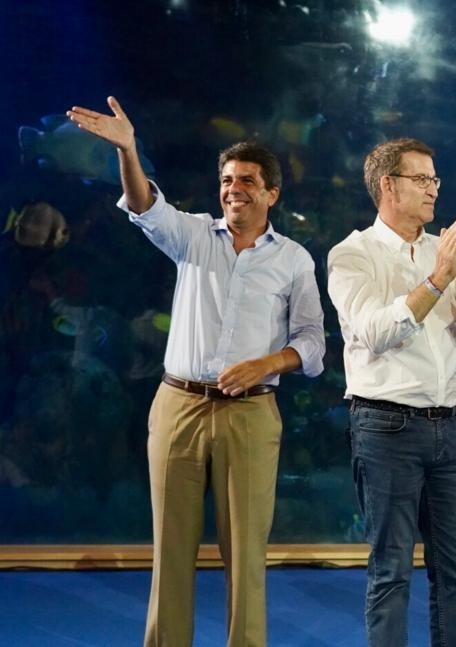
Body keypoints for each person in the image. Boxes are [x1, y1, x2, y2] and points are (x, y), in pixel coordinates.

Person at [67, 96, 326, 647]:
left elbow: (313, 343)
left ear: (272, 193)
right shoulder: (191, 236)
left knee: (247, 557)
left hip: (252, 414)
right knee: (171, 551)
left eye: (248, 180)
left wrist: (270, 361)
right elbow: (143, 205)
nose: (234, 188)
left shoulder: (294, 260)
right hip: (178, 406)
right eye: (227, 179)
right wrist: (127, 149)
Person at [326, 137, 456, 647]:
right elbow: (373, 332)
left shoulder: (442, 250)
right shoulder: (352, 255)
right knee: (390, 573)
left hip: (447, 428)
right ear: (388, 186)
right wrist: (436, 281)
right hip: (385, 427)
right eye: (423, 179)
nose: (434, 189)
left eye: (435, 180)